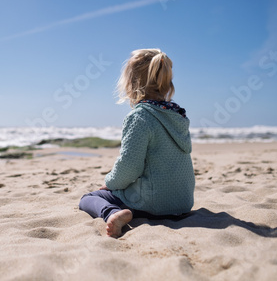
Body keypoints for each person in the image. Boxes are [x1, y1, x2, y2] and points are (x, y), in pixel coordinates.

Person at [79, 48, 195, 238]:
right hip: (183, 203)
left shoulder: (140, 116)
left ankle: (113, 213)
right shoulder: (178, 116)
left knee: (89, 198)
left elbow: (130, 166)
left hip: (154, 203)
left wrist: (110, 183)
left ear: (132, 83)